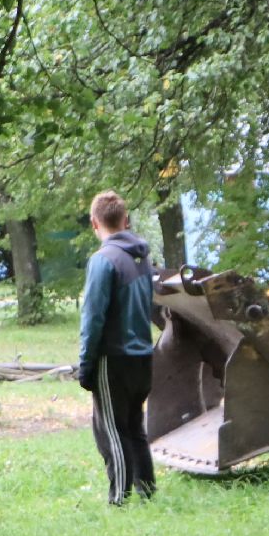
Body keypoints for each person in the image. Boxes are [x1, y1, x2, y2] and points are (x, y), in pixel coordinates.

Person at [78, 191, 157, 504]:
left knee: (113, 432)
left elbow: (93, 317)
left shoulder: (103, 261)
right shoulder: (142, 258)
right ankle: (147, 492)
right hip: (144, 358)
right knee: (134, 428)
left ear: (94, 223)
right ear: (125, 220)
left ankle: (119, 500)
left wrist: (86, 366)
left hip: (114, 360)